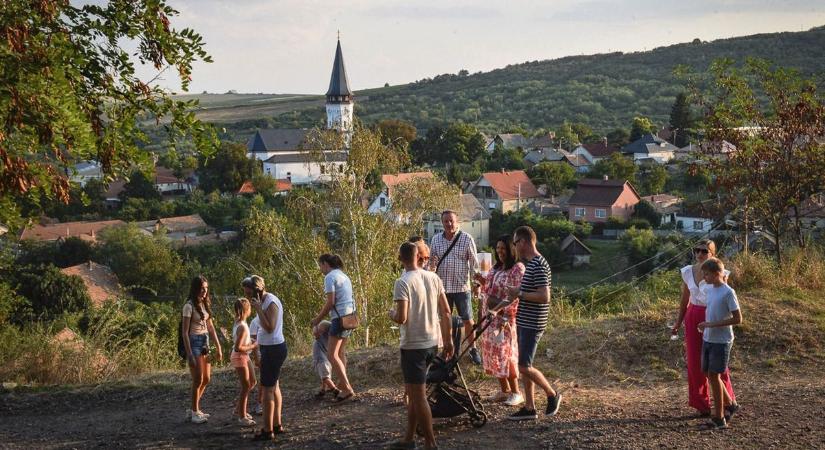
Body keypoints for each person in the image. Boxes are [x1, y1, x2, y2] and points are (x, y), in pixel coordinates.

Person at [388, 242, 453, 450]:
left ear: (401, 259)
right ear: (418, 257)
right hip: (432, 341)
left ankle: (430, 443)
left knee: (418, 397)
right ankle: (408, 439)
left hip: (413, 345)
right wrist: (449, 339)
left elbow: (402, 317)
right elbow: (446, 311)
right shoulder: (434, 278)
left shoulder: (402, 282)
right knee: (415, 394)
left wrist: (391, 314)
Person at [671, 239, 736, 416]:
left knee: (717, 363)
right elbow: (685, 300)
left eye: (704, 251)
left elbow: (725, 297)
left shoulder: (720, 273)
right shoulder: (687, 271)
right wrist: (678, 322)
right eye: (697, 250)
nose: (699, 254)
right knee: (694, 362)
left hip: (712, 316)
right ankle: (702, 405)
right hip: (693, 317)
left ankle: (727, 402)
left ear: (712, 254)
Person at [506, 226, 561, 421]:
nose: (514, 247)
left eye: (515, 243)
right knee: (525, 364)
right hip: (524, 321)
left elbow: (544, 296)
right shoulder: (532, 264)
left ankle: (552, 394)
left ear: (524, 242)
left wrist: (519, 293)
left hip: (533, 322)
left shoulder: (539, 264)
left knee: (524, 366)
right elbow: (529, 289)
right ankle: (529, 407)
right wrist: (516, 290)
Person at [474, 235, 525, 406]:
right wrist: (481, 282)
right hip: (490, 318)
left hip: (504, 319)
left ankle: (516, 392)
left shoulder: (517, 269)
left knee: (506, 354)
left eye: (503, 248)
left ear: (511, 249)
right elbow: (488, 289)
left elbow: (516, 297)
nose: (499, 252)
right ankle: (504, 391)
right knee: (495, 356)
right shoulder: (496, 267)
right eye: (497, 248)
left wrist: (499, 307)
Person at [429, 210, 480, 364]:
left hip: (462, 287)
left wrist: (477, 284)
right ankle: (447, 350)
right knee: (445, 320)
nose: (449, 224)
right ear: (442, 222)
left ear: (457, 222)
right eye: (446, 221)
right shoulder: (436, 240)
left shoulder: (466, 239)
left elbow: (474, 264)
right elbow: (432, 262)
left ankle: (473, 349)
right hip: (443, 288)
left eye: (451, 221)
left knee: (468, 320)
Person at [697, 258, 743, 429]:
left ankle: (719, 418)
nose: (704, 277)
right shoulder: (709, 289)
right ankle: (731, 404)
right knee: (708, 373)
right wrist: (706, 327)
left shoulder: (728, 292)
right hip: (708, 338)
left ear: (717, 274)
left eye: (706, 274)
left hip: (722, 341)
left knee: (715, 376)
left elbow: (738, 319)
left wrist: (710, 324)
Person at [243, 275, 288, 442]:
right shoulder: (264, 301)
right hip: (270, 348)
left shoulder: (270, 302)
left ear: (258, 291)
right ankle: (276, 425)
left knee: (268, 389)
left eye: (249, 294)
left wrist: (258, 309)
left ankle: (267, 430)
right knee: (274, 386)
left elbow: (270, 327)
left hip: (274, 349)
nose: (248, 297)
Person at [310, 254, 356, 402]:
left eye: (320, 265)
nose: (320, 269)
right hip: (350, 317)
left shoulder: (329, 277)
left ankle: (347, 388)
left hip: (339, 318)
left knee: (332, 355)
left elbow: (330, 302)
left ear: (325, 264)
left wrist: (317, 319)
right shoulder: (343, 275)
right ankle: (343, 385)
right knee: (340, 353)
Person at [181, 275, 222, 424]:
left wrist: (218, 347)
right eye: (202, 288)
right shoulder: (188, 306)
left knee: (206, 379)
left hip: (205, 342)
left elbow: (211, 328)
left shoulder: (205, 304)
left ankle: (193, 409)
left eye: (206, 288)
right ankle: (194, 413)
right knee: (197, 379)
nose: (205, 291)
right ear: (196, 288)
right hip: (194, 342)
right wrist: (190, 353)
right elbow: (184, 332)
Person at [231, 298, 258, 426]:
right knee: (246, 386)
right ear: (247, 310)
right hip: (239, 356)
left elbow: (242, 342)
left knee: (252, 381)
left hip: (244, 356)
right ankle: (242, 417)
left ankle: (238, 410)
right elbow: (238, 347)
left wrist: (250, 341)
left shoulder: (241, 323)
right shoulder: (241, 326)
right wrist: (252, 346)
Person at [312, 320, 340, 398]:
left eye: (320, 329)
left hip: (321, 360)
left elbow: (315, 332)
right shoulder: (329, 338)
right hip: (325, 360)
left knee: (325, 377)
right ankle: (323, 389)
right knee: (324, 376)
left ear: (324, 331)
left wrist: (315, 324)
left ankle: (335, 390)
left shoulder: (321, 336)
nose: (318, 330)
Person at [249, 315, 263, 415]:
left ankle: (267, 402)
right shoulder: (254, 322)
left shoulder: (269, 317)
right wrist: (256, 358)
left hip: (270, 351)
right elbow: (253, 341)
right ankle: (259, 403)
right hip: (261, 353)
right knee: (263, 379)